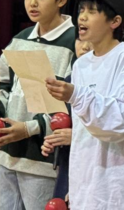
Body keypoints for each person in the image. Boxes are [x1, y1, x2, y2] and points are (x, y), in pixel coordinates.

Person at [46, 0, 124, 210]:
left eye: (92, 11)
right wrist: (78, 184)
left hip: (118, 184)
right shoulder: (81, 65)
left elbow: (123, 120)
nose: (82, 17)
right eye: (81, 10)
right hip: (87, 182)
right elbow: (84, 132)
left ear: (115, 22)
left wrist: (77, 95)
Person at [0, 0, 76, 210]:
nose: (32, 3)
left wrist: (29, 129)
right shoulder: (20, 39)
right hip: (7, 156)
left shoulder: (75, 44)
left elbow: (71, 105)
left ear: (61, 0)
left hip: (43, 161)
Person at [41, 39, 93, 204]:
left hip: (95, 170)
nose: (85, 46)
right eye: (80, 38)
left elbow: (117, 131)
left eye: (92, 39)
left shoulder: (112, 80)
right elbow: (62, 122)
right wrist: (54, 140)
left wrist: (76, 136)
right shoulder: (69, 80)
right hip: (68, 166)